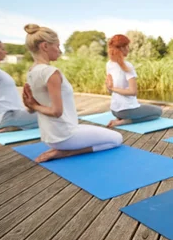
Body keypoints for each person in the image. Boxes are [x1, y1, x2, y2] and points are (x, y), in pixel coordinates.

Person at [22, 24, 123, 163]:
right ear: (45, 46)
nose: (59, 50)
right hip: (65, 136)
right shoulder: (50, 72)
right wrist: (33, 106)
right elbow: (56, 111)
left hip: (49, 137)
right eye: (57, 46)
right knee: (117, 139)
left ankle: (61, 149)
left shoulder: (31, 72)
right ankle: (66, 153)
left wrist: (32, 106)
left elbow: (31, 107)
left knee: (92, 130)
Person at [105, 34, 163, 128]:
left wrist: (111, 88)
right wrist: (113, 89)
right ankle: (123, 122)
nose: (129, 49)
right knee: (158, 112)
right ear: (122, 48)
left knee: (143, 106)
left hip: (114, 110)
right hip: (126, 110)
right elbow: (133, 92)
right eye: (127, 46)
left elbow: (109, 90)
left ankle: (119, 118)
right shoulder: (127, 66)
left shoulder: (109, 64)